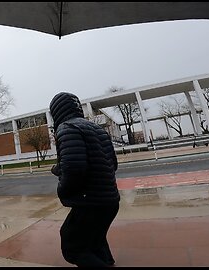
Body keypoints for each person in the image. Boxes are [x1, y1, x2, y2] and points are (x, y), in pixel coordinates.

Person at [49, 92, 121, 267]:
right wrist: (59, 168)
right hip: (110, 200)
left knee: (73, 246)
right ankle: (108, 262)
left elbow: (75, 168)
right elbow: (111, 163)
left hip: (90, 201)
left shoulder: (66, 128)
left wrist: (62, 190)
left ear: (57, 111)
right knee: (95, 239)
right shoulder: (95, 128)